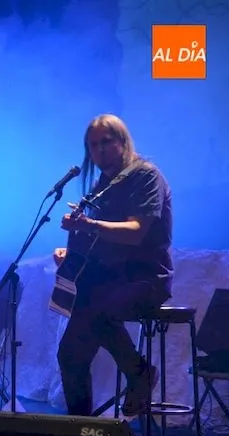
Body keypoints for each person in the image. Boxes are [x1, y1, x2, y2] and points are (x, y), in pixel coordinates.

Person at [53, 114, 172, 417]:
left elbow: (135, 232)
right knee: (70, 355)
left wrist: (89, 225)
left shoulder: (146, 176)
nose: (100, 149)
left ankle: (138, 372)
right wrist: (71, 253)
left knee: (97, 307)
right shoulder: (100, 185)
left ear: (123, 142)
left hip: (145, 280)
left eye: (107, 141)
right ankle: (79, 432)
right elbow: (96, 240)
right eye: (93, 145)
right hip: (106, 282)